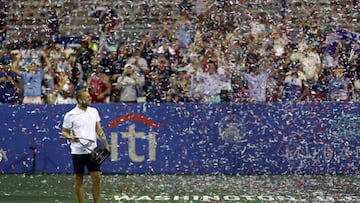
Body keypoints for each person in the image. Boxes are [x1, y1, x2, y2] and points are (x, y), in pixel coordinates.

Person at [61, 87, 110, 203]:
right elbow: (64, 132)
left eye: (89, 97)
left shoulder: (94, 111)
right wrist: (71, 137)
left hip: (92, 150)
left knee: (97, 177)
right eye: (87, 97)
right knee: (79, 178)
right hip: (77, 152)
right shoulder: (70, 115)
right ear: (79, 99)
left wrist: (106, 144)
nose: (90, 99)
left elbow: (99, 130)